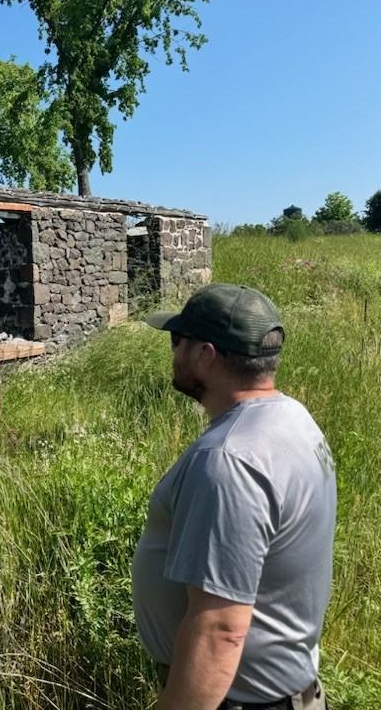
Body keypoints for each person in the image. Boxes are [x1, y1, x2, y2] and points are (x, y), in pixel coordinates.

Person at [132, 283, 335, 710]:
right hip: (285, 693)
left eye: (177, 341)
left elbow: (220, 631)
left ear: (206, 354)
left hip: (237, 700)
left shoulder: (228, 460)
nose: (172, 353)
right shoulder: (293, 418)